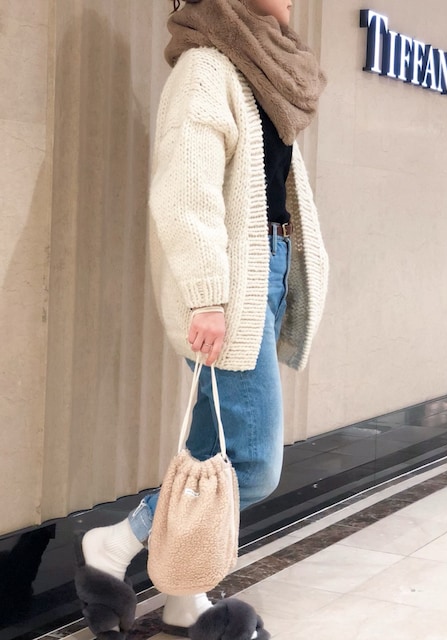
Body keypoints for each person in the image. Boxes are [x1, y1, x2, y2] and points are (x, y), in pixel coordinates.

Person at [75, 0, 328, 636]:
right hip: (231, 285)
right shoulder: (208, 66)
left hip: (265, 270)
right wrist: (208, 296)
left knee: (210, 454)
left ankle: (185, 598)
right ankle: (115, 543)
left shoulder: (262, 69)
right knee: (254, 465)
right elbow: (186, 192)